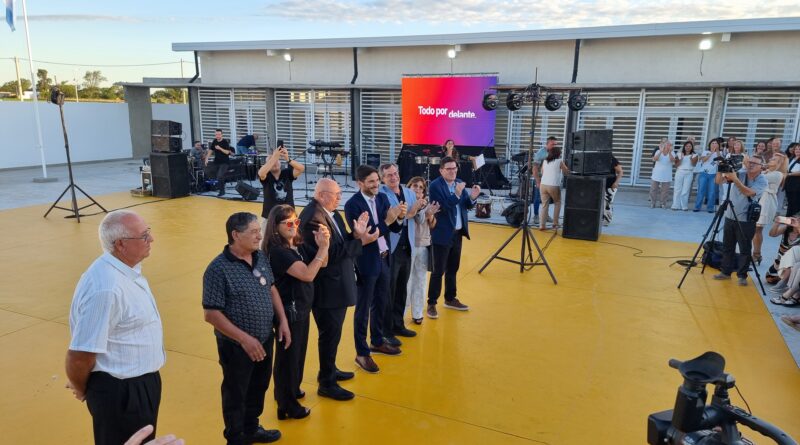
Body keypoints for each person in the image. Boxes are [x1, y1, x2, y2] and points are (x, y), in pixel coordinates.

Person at [65, 210, 165, 445]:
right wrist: (83, 389)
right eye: (144, 236)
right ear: (120, 244)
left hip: (140, 385)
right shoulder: (106, 288)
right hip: (122, 393)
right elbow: (80, 355)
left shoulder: (125, 271)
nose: (151, 239)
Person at [202, 212, 292, 445]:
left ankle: (251, 428)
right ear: (235, 234)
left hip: (265, 338)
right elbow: (211, 314)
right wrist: (244, 339)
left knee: (259, 386)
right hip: (236, 347)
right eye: (253, 232)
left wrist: (282, 320)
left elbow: (271, 288)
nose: (259, 236)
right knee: (236, 392)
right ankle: (235, 437)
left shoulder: (260, 257)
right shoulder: (218, 269)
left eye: (259, 231)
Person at [298, 178, 373, 401]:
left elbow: (340, 243)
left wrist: (355, 234)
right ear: (321, 195)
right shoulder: (313, 219)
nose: (340, 197)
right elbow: (328, 255)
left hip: (337, 285)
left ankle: (329, 370)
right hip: (328, 289)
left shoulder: (329, 212)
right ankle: (327, 383)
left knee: (334, 334)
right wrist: (361, 242)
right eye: (336, 194)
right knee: (329, 335)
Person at [263, 204, 330, 421]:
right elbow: (308, 274)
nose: (294, 226)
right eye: (288, 223)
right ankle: (287, 404)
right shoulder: (279, 252)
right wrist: (323, 249)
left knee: (297, 354)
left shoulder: (295, 245)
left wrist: (322, 245)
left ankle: (290, 390)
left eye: (296, 221)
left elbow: (322, 263)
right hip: (289, 312)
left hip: (301, 308)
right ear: (275, 227)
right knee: (288, 358)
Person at [345, 165, 405, 373]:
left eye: (377, 180)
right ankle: (362, 353)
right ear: (359, 183)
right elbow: (366, 235)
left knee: (381, 302)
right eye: (371, 182)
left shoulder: (382, 198)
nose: (376, 184)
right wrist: (389, 220)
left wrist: (399, 217)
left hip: (384, 257)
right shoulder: (352, 205)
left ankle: (377, 341)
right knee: (363, 309)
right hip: (367, 261)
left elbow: (393, 228)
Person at [427, 156, 481, 318]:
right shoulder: (435, 186)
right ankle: (431, 303)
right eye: (449, 169)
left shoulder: (459, 182)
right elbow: (441, 207)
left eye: (454, 168)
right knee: (438, 271)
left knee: (453, 269)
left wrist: (473, 197)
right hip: (442, 234)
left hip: (457, 234)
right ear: (441, 170)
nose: (452, 171)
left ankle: (450, 298)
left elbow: (466, 205)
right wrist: (457, 194)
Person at [379, 163, 425, 343]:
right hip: (391, 247)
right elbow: (391, 219)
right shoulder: (381, 195)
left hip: (408, 246)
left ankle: (398, 324)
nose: (393, 177)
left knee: (401, 288)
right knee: (388, 290)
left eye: (395, 173)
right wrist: (411, 212)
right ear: (383, 178)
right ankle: (386, 331)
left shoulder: (409, 193)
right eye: (389, 175)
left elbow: (416, 216)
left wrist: (423, 208)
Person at [713, 157, 768, 286]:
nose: (751, 164)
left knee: (744, 249)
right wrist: (720, 169)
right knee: (728, 247)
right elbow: (718, 181)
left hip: (746, 219)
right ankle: (725, 272)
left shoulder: (762, 180)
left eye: (755, 163)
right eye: (749, 162)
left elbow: (748, 193)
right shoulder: (740, 173)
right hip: (730, 215)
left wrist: (735, 179)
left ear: (761, 166)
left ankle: (742, 276)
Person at [405, 177, 440, 324]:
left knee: (420, 280)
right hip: (409, 245)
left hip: (424, 245)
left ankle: (418, 313)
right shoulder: (405, 203)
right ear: (409, 187)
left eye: (421, 187)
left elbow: (432, 224)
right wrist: (423, 211)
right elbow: (416, 219)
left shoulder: (426, 203)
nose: (418, 189)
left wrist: (430, 215)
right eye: (415, 186)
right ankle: (401, 312)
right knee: (406, 281)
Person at [258, 142, 305, 233]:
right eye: (272, 162)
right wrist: (274, 157)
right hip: (270, 217)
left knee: (291, 239)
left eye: (277, 160)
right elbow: (261, 173)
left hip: (288, 216)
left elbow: (301, 168)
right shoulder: (266, 176)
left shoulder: (287, 173)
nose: (275, 163)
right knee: (266, 240)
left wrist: (288, 159)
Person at [753, 153, 788, 264]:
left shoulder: (778, 174)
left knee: (757, 229)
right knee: (755, 229)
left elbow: (756, 177)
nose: (770, 160)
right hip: (760, 201)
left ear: (779, 163)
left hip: (766, 203)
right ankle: (756, 254)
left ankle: (756, 254)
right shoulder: (767, 171)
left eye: (773, 159)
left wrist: (757, 166)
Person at [536, 145, 569, 231]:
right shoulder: (559, 161)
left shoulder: (545, 161)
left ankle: (542, 225)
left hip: (543, 185)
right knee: (557, 203)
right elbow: (566, 172)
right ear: (558, 154)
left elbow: (542, 172)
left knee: (544, 205)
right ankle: (555, 224)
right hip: (553, 185)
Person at [531, 136, 558, 225]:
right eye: (552, 144)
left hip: (549, 179)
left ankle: (545, 215)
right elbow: (534, 169)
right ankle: (536, 215)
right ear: (547, 144)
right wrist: (538, 181)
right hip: (541, 179)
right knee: (538, 198)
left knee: (547, 198)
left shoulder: (554, 153)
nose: (554, 146)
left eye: (555, 144)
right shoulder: (540, 153)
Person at [694, 139, 721, 213]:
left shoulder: (720, 153)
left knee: (712, 192)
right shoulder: (705, 152)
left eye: (716, 143)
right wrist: (711, 152)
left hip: (714, 174)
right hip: (704, 173)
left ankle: (710, 208)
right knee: (701, 190)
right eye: (713, 143)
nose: (714, 144)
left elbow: (720, 160)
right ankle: (697, 207)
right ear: (710, 144)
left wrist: (717, 151)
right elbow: (703, 160)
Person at [671, 140, 698, 211]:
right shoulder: (679, 154)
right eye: (686, 146)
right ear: (684, 147)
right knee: (677, 189)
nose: (688, 147)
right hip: (680, 172)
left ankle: (684, 206)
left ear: (692, 147)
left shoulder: (695, 155)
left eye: (689, 146)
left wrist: (691, 158)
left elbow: (694, 164)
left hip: (689, 172)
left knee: (686, 190)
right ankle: (675, 205)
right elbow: (676, 165)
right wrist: (681, 158)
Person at [207, 129, 235, 196]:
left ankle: (222, 191)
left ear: (222, 135)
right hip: (217, 161)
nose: (217, 136)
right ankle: (218, 187)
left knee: (219, 176)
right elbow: (211, 150)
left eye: (219, 134)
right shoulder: (214, 141)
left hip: (224, 162)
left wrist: (220, 148)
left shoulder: (225, 142)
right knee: (214, 175)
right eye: (216, 134)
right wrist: (206, 158)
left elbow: (227, 152)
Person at [650, 139, 674, 209]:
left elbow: (672, 160)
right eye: (667, 144)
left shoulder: (672, 152)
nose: (668, 146)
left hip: (667, 174)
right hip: (657, 173)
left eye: (669, 145)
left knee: (665, 191)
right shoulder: (658, 151)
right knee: (653, 189)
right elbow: (655, 159)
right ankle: (653, 203)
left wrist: (670, 152)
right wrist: (660, 151)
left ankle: (663, 203)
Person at [603, 154, 623, 226]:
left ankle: (607, 220)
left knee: (608, 204)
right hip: (600, 185)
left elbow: (620, 172)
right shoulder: (596, 158)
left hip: (610, 186)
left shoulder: (612, 159)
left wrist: (616, 182)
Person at [783, 143, 800, 218]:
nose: (797, 150)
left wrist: (789, 174)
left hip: (797, 186)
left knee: (795, 205)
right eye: (796, 149)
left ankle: (792, 221)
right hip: (789, 185)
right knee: (790, 203)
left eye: (799, 149)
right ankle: (788, 220)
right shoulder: (791, 158)